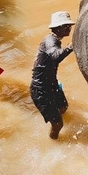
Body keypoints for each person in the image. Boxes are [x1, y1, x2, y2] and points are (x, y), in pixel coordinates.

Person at [31, 11, 75, 140]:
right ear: (57, 28)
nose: (69, 28)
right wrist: (71, 46)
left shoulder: (55, 40)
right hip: (41, 89)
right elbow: (56, 55)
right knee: (58, 124)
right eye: (66, 26)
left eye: (69, 26)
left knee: (63, 107)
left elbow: (54, 58)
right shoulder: (50, 40)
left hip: (51, 83)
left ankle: (52, 115)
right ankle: (54, 141)